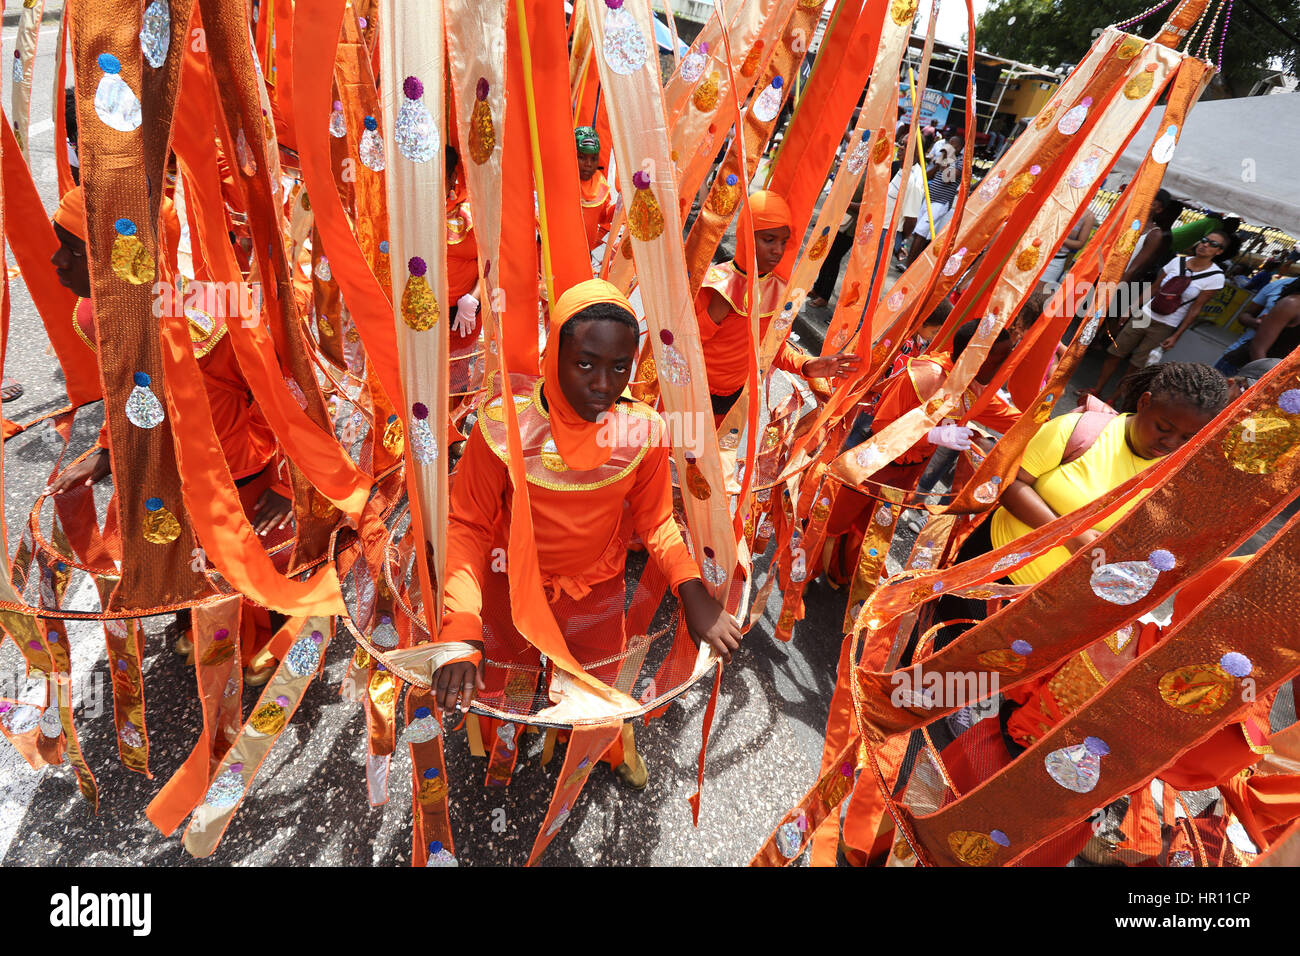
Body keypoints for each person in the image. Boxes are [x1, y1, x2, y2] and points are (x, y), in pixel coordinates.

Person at [432, 279, 743, 786]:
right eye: (585, 364)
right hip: (511, 585)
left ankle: (597, 750)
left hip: (596, 588)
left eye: (620, 367)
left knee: (598, 680)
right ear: (552, 353)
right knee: (510, 675)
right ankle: (505, 743)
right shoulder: (504, 428)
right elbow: (466, 525)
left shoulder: (639, 431)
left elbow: (656, 521)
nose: (604, 383)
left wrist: (693, 593)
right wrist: (460, 624)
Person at [46, 185, 293, 681]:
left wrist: (286, 484)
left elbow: (288, 397)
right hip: (167, 474)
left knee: (249, 565)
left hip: (238, 475)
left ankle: (268, 639)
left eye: (71, 252)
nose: (55, 262)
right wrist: (108, 452)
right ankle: (199, 625)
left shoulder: (214, 316)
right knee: (187, 555)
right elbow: (128, 396)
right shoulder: (97, 317)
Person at [985, 362, 1229, 586]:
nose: (1170, 442)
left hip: (1046, 603)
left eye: (1187, 437)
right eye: (1163, 428)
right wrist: (1069, 536)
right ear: (1144, 403)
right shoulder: (1080, 431)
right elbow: (1007, 483)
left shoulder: (1175, 480)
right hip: (990, 568)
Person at [822, 318, 1021, 586]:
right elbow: (883, 425)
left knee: (875, 527)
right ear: (977, 359)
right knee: (837, 521)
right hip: (876, 465)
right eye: (1000, 360)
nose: (1006, 369)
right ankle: (805, 575)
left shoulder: (974, 387)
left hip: (909, 472)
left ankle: (844, 573)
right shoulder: (925, 376)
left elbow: (1017, 420)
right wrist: (933, 434)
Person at [695, 190, 859, 420]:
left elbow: (773, 349)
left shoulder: (781, 292)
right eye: (768, 239)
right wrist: (712, 317)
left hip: (733, 399)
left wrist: (807, 365)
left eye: (783, 241)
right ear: (746, 235)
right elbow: (677, 346)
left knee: (709, 454)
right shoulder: (715, 284)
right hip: (690, 393)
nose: (778, 250)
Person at [1089, 231, 1230, 399]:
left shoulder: (1215, 277)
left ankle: (1113, 399)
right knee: (1115, 352)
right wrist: (1131, 308)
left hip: (1166, 324)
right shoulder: (1178, 261)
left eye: (1213, 244)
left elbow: (1195, 309)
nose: (1205, 245)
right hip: (1145, 314)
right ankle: (1096, 389)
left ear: (1219, 251)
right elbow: (1155, 287)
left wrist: (1177, 335)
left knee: (1136, 365)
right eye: (1204, 240)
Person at [1213, 275, 1298, 375]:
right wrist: (1260, 324)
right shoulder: (1290, 300)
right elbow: (1245, 315)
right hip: (1244, 367)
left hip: (1272, 372)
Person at [907, 133, 963, 265]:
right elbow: (927, 177)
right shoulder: (944, 161)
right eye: (948, 142)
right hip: (928, 199)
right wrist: (939, 163)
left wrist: (946, 159)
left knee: (921, 232)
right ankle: (914, 263)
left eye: (952, 144)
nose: (948, 146)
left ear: (959, 148)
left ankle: (907, 264)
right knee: (918, 232)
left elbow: (947, 179)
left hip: (940, 202)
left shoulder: (960, 162)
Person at [575, 126, 616, 259]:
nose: (588, 164)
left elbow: (603, 217)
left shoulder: (600, 182)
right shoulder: (562, 182)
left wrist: (621, 207)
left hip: (584, 255)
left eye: (593, 159)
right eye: (582, 157)